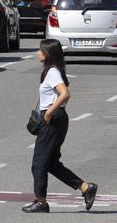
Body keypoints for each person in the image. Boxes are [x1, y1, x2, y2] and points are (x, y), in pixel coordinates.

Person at [25, 39, 97, 213]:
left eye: (40, 50)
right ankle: (87, 188)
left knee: (39, 164)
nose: (37, 53)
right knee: (51, 164)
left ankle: (41, 203)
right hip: (56, 120)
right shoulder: (53, 71)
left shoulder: (53, 72)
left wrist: (49, 113)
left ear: (48, 53)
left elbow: (65, 94)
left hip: (52, 119)